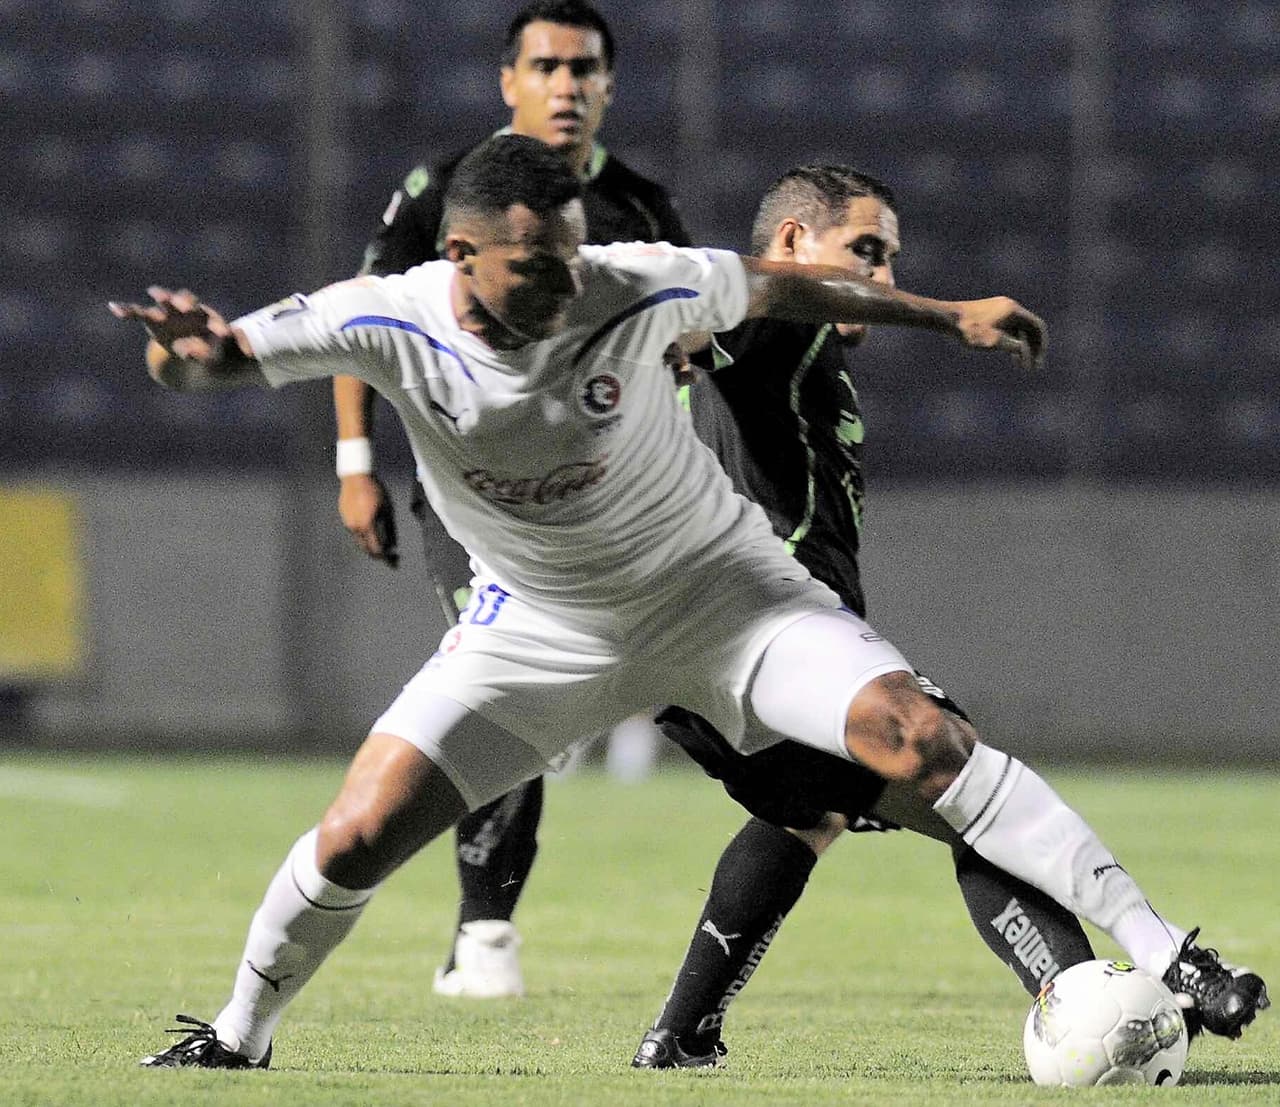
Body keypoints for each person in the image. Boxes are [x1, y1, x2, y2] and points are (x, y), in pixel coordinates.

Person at [108, 134, 1261, 1073]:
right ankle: (235, 1038)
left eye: (571, 256)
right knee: (357, 833)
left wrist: (946, 311)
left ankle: (1161, 947)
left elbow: (779, 282)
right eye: (532, 265)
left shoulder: (631, 281)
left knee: (921, 739)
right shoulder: (380, 317)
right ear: (458, 255)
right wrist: (181, 356)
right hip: (538, 631)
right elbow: (211, 363)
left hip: (722, 595)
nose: (564, 282)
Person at [631, 165, 1272, 1067]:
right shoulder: (774, 320)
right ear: (790, 246)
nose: (884, 277)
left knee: (822, 813)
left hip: (715, 654)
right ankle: (1169, 959)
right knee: (957, 769)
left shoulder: (817, 363)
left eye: (891, 258)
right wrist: (683, 334)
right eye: (866, 251)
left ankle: (683, 1033)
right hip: (759, 631)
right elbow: (714, 311)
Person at [334, 0, 688, 999]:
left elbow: (692, 354)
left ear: (609, 86)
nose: (566, 86)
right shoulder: (440, 190)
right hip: (472, 502)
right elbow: (358, 321)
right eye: (546, 66)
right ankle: (485, 933)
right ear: (508, 82)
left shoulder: (643, 209)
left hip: (608, 510)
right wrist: (354, 463)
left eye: (584, 69)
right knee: (503, 685)